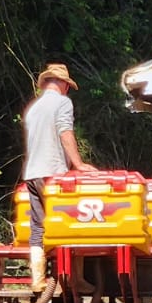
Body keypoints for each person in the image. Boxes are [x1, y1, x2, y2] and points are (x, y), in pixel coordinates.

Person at [22, 62, 93, 290]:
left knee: (38, 228)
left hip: (32, 174)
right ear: (63, 84)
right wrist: (79, 164)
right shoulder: (62, 103)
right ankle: (75, 279)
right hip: (53, 174)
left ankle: (38, 279)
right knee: (72, 224)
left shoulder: (34, 108)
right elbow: (65, 132)